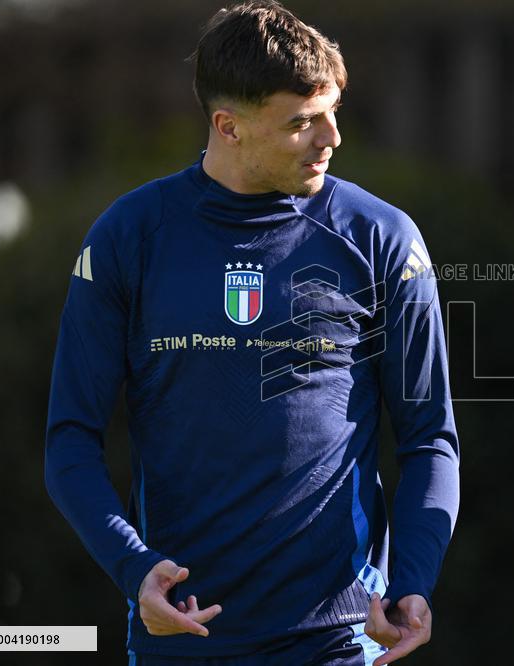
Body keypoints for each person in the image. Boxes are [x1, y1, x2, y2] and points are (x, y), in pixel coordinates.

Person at [44, 2, 460, 665]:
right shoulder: (129, 238)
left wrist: (411, 581)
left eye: (332, 112)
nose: (331, 138)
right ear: (227, 126)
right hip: (180, 637)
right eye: (301, 123)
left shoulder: (381, 241)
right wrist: (132, 565)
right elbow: (70, 438)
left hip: (338, 641)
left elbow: (429, 437)